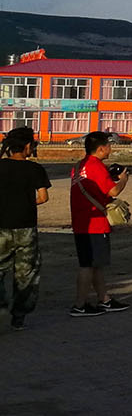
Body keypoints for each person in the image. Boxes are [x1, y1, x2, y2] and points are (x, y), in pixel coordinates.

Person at [69, 130, 129, 315]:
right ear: (102, 148)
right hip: (94, 222)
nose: (110, 149)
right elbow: (113, 192)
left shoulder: (79, 167)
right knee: (88, 264)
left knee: (95, 263)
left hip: (81, 220)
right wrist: (123, 180)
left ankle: (104, 299)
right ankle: (80, 305)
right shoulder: (96, 166)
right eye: (109, 145)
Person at [0, 125, 50, 330]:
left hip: (0, 227)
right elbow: (43, 197)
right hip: (26, 227)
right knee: (26, 273)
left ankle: (1, 307)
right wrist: (25, 202)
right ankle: (18, 317)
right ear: (28, 146)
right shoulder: (35, 169)